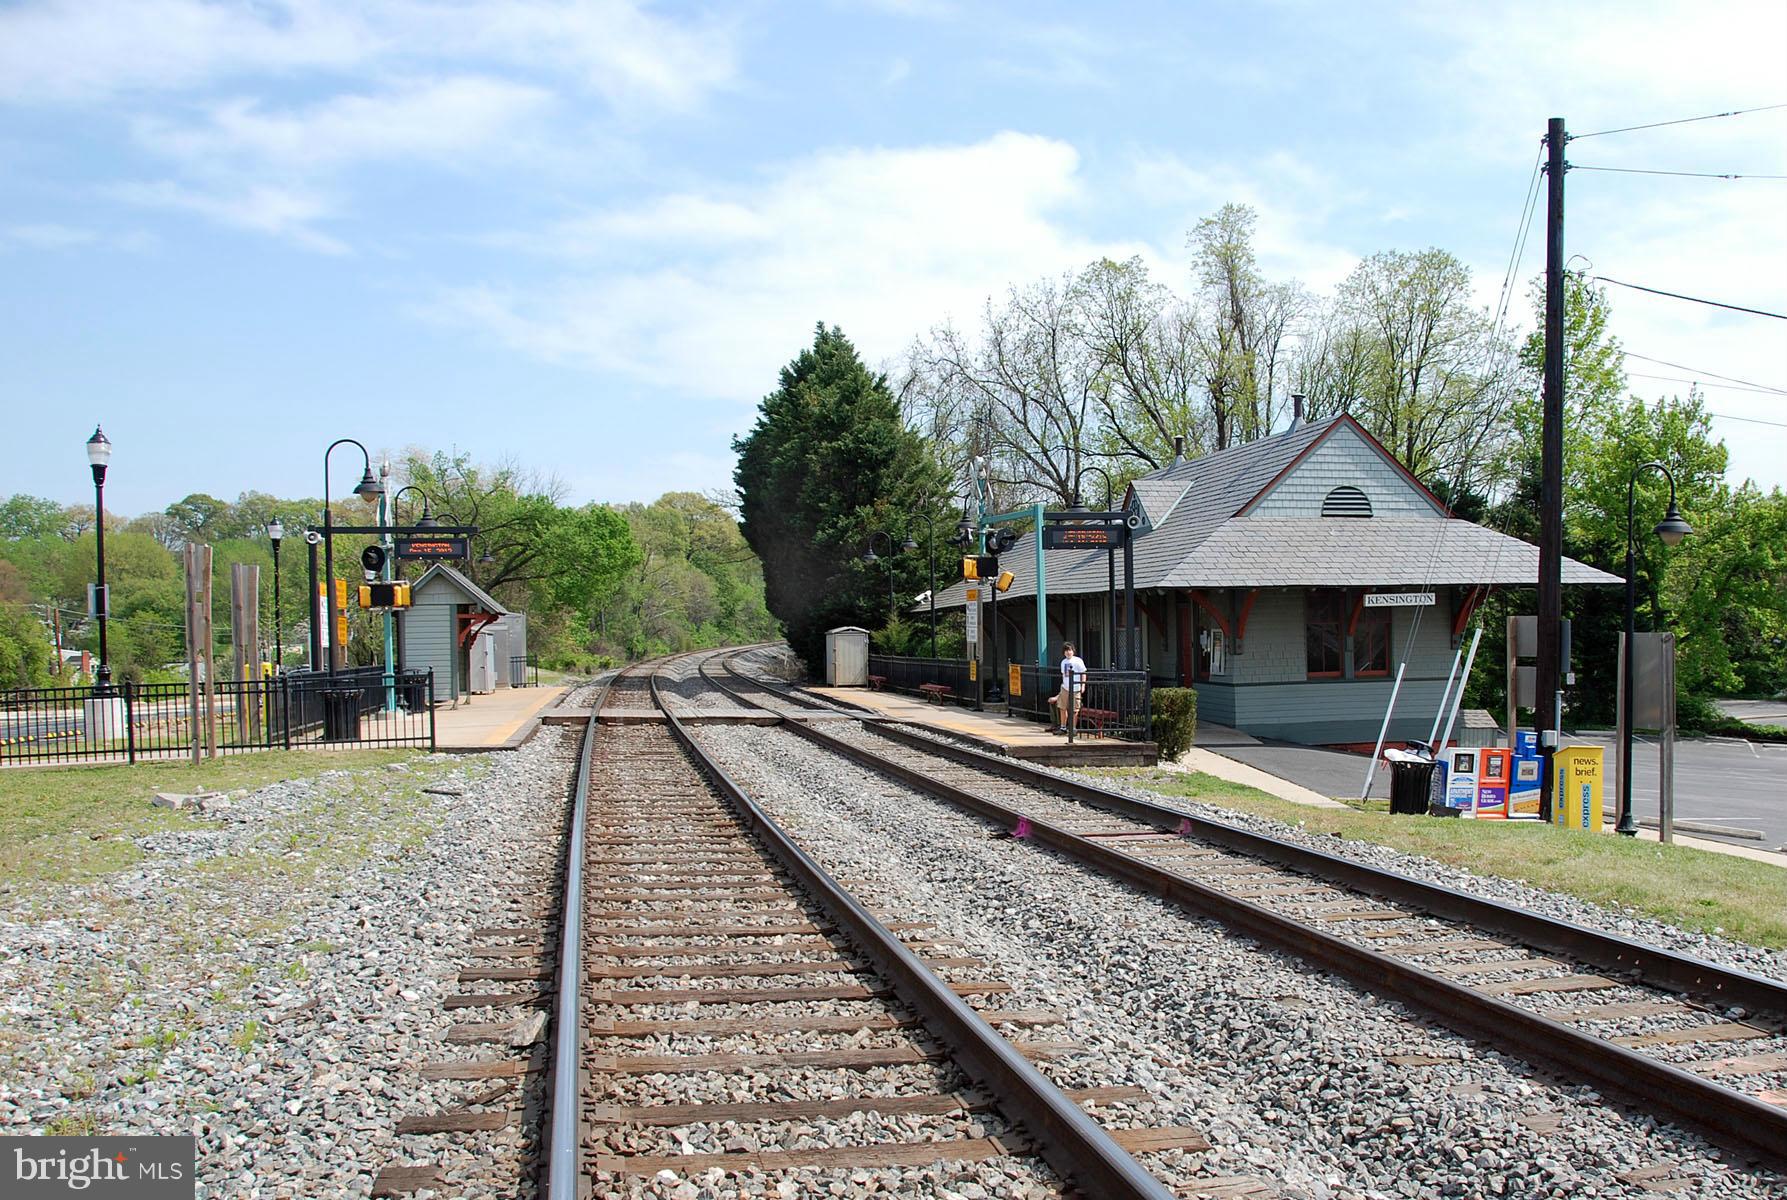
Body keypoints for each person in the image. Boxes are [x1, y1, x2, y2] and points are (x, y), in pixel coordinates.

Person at [1050, 641, 1087, 735]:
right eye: (1066, 651)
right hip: (1065, 687)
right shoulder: (1063, 662)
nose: (1068, 652)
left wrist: (1083, 685)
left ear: (1073, 651)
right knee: (1062, 708)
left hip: (1076, 687)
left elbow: (1083, 673)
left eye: (1069, 650)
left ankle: (1073, 729)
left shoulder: (1078, 661)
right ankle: (1063, 727)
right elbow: (1064, 675)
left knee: (1075, 709)